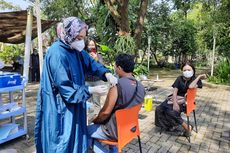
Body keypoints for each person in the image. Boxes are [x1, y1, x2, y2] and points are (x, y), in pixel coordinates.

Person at [34, 17, 118, 153]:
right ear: (69, 34)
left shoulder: (75, 49)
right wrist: (90, 89)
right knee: (62, 139)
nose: (81, 42)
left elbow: (92, 64)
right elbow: (65, 89)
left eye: (83, 38)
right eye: (78, 37)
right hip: (60, 105)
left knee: (76, 136)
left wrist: (106, 74)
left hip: (75, 101)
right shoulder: (57, 53)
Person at [87, 54, 145, 153]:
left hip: (114, 131)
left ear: (119, 68)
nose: (114, 68)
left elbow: (105, 113)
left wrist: (95, 120)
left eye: (115, 66)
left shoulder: (117, 86)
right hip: (131, 129)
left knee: (84, 131)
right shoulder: (141, 86)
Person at [155, 61, 206, 136]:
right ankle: (170, 125)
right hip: (175, 99)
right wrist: (175, 103)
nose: (186, 72)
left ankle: (186, 127)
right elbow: (175, 91)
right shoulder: (179, 78)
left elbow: (191, 87)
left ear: (193, 70)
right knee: (159, 109)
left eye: (189, 70)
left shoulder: (196, 80)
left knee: (170, 111)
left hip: (186, 102)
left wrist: (198, 77)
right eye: (184, 70)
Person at [85, 38, 104, 112]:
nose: (91, 47)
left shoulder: (99, 56)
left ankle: (97, 118)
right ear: (86, 46)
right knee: (87, 102)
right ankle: (88, 119)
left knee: (96, 102)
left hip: (97, 81)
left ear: (95, 46)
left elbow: (102, 68)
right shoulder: (84, 55)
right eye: (89, 45)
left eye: (93, 45)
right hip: (87, 81)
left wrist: (96, 60)